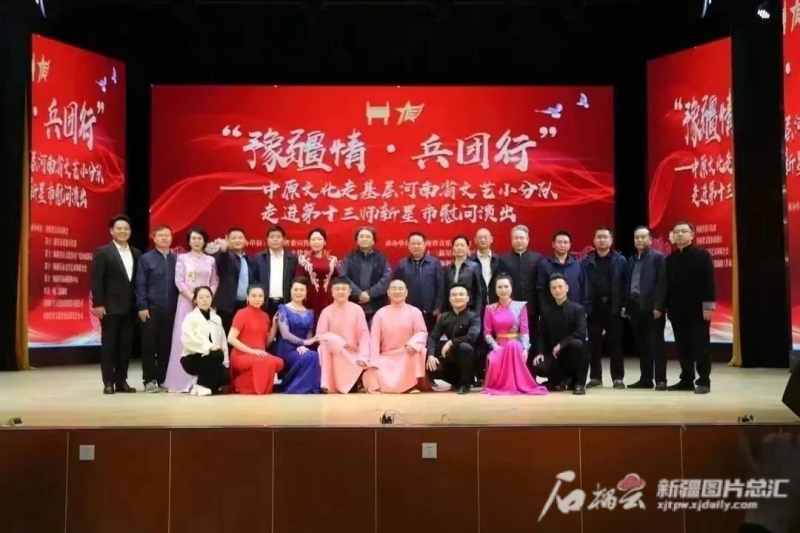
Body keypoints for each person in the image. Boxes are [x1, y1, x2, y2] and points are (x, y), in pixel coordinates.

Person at [164, 227, 219, 392]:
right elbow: (179, 281)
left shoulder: (211, 260)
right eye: (193, 238)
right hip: (187, 303)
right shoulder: (182, 258)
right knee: (185, 338)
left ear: (204, 241)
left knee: (205, 338)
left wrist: (206, 298)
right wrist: (193, 298)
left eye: (200, 238)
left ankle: (202, 379)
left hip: (206, 304)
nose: (196, 241)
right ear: (188, 241)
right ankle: (182, 380)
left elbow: (214, 281)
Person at [91, 214, 141, 395]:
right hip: (110, 308)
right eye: (119, 228)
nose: (123, 231)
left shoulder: (136, 253)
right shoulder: (103, 252)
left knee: (125, 347)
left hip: (130, 308)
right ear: (111, 231)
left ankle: (121, 381)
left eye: (126, 229)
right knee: (109, 347)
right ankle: (108, 382)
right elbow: (97, 280)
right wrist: (98, 303)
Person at [666, 221, 716, 394]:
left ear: (692, 235)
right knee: (682, 346)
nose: (680, 235)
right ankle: (686, 379)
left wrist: (708, 306)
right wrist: (667, 307)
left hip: (699, 311)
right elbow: (667, 286)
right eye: (677, 232)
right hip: (677, 311)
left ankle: (704, 381)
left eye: (684, 231)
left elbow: (710, 282)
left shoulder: (702, 255)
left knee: (701, 346)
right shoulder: (670, 259)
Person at [483, 275, 548, 395]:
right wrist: (495, 347)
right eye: (499, 287)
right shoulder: (490, 308)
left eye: (506, 286)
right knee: (494, 361)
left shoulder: (520, 306)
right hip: (498, 346)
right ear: (495, 289)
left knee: (512, 345)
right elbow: (487, 333)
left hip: (516, 345)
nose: (503, 290)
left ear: (511, 288)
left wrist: (526, 349)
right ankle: (503, 386)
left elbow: (524, 331)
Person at [622, 226, 667, 390]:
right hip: (635, 307)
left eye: (643, 237)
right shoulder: (631, 260)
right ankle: (646, 379)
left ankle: (661, 380)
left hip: (652, 308)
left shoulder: (658, 258)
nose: (639, 240)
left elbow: (662, 284)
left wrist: (659, 306)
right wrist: (626, 306)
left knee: (657, 345)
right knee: (642, 345)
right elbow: (627, 284)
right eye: (637, 237)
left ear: (650, 240)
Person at [316, 277, 379, 393]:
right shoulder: (326, 311)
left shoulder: (357, 310)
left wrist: (363, 356)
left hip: (353, 354)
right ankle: (327, 385)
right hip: (334, 352)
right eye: (337, 289)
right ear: (332, 291)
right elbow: (320, 336)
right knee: (322, 348)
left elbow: (364, 336)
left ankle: (355, 381)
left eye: (344, 289)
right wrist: (335, 343)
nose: (340, 291)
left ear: (349, 291)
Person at [134, 224, 178, 392]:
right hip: (151, 309)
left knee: (166, 346)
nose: (165, 238)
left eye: (167, 235)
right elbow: (140, 283)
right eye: (161, 235)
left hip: (172, 310)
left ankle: (163, 379)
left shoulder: (177, 260)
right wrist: (142, 305)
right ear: (154, 238)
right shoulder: (146, 259)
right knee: (149, 346)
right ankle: (149, 380)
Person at [582, 226, 627, 389]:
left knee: (616, 344)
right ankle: (595, 377)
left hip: (614, 307)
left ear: (611, 240)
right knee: (594, 345)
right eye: (599, 237)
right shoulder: (586, 261)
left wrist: (623, 305)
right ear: (594, 241)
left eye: (605, 237)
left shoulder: (620, 260)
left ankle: (618, 378)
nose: (602, 240)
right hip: (594, 307)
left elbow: (625, 285)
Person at [532, 274, 590, 395]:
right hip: (554, 354)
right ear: (550, 290)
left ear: (567, 288)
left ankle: (579, 383)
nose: (557, 290)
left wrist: (561, 345)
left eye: (560, 287)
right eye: (553, 288)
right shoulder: (546, 311)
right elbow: (541, 334)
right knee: (539, 365)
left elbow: (580, 333)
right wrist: (540, 352)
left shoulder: (578, 309)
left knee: (578, 344)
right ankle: (560, 380)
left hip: (570, 351)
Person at [370, 279, 428, 393]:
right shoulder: (380, 313)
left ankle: (411, 386)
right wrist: (374, 361)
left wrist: (413, 344)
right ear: (388, 292)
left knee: (418, 352)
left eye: (400, 289)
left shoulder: (415, 312)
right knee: (374, 369)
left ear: (406, 293)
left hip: (407, 353)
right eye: (394, 289)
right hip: (386, 355)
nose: (397, 291)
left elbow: (422, 333)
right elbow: (374, 340)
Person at [227, 284, 284, 395]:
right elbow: (231, 339)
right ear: (247, 297)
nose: (257, 299)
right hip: (241, 355)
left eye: (260, 296)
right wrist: (252, 351)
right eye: (253, 296)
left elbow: (266, 344)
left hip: (259, 354)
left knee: (279, 362)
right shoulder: (241, 313)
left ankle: (244, 383)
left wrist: (274, 327)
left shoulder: (265, 316)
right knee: (265, 362)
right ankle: (242, 383)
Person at [426, 284, 481, 394]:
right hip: (450, 358)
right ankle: (456, 382)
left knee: (464, 347)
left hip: (469, 358)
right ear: (450, 299)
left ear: (467, 298)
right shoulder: (444, 317)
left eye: (461, 294)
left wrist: (451, 342)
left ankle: (465, 384)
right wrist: (430, 355)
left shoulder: (473, 316)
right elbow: (433, 337)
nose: (457, 297)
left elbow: (472, 336)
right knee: (425, 356)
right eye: (454, 295)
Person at [273, 277, 322, 394]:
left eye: (302, 290)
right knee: (311, 356)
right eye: (295, 289)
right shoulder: (283, 308)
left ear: (306, 292)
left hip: (301, 348)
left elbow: (309, 334)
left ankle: (304, 387)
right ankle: (297, 388)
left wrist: (304, 346)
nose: (298, 292)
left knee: (312, 355)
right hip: (286, 349)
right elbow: (285, 334)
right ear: (291, 291)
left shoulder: (310, 312)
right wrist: (304, 342)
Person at [179, 286, 230, 396]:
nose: (204, 300)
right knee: (215, 356)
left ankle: (196, 384)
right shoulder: (190, 317)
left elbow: (223, 341)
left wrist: (226, 363)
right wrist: (208, 347)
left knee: (224, 376)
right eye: (201, 297)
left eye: (207, 297)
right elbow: (187, 339)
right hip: (192, 357)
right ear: (195, 300)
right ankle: (201, 385)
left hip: (214, 357)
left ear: (212, 298)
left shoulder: (217, 318)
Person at [338, 226, 392, 324]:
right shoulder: (348, 258)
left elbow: (386, 279)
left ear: (373, 241)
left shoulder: (381, 258)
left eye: (368, 237)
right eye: (361, 236)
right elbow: (343, 278)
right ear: (357, 240)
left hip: (376, 306)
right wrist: (359, 294)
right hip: (353, 304)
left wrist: (369, 294)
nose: (364, 239)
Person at [392, 231, 445, 332]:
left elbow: (441, 287)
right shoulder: (402, 264)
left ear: (425, 245)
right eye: (413, 243)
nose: (416, 246)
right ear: (408, 245)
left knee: (428, 337)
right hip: (407, 311)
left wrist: (438, 307)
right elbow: (395, 287)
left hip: (430, 311)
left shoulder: (434, 263)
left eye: (419, 243)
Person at [205, 227, 252, 335]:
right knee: (224, 336)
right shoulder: (226, 256)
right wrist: (223, 248)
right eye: (233, 238)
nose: (237, 240)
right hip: (227, 306)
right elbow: (222, 256)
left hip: (244, 305)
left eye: (240, 238)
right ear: (227, 239)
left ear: (245, 240)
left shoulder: (248, 259)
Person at [251, 224, 298, 319]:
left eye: (278, 237)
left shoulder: (292, 258)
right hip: (264, 304)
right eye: (272, 237)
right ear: (267, 240)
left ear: (284, 239)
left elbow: (295, 280)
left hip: (285, 303)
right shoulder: (259, 258)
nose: (275, 240)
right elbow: (254, 281)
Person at [294, 228, 338, 329]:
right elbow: (298, 280)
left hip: (328, 299)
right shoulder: (303, 259)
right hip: (309, 299)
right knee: (310, 327)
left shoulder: (332, 260)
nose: (316, 242)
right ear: (309, 242)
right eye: (313, 239)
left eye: (319, 239)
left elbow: (337, 280)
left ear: (324, 242)